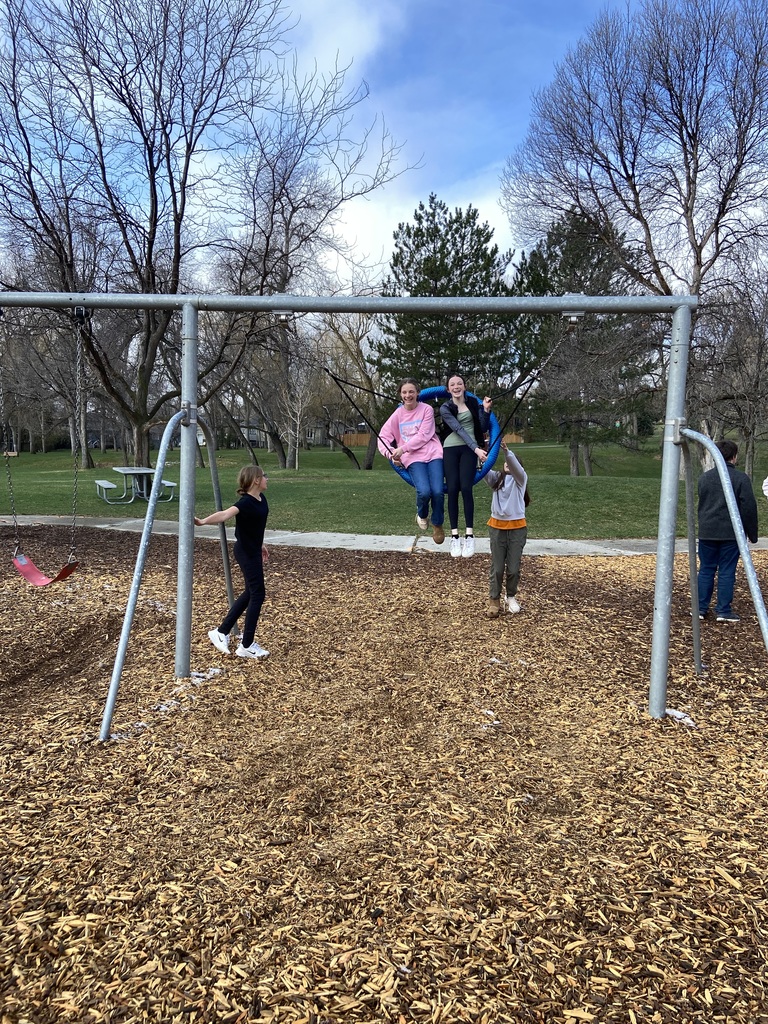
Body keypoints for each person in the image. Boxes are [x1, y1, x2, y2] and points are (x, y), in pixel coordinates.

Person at [194, 464, 271, 658]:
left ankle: (221, 631)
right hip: (245, 552)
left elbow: (255, 526)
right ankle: (246, 644)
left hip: (253, 549)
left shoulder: (261, 499)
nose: (266, 479)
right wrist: (203, 522)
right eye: (264, 476)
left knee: (250, 593)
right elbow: (225, 515)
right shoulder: (245, 503)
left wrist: (260, 544)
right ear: (255, 480)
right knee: (258, 594)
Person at [378, 377, 445, 544]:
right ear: (400, 395)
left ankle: (437, 524)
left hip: (433, 453)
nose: (408, 395)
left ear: (418, 393)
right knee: (424, 491)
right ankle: (422, 514)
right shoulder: (397, 415)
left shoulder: (427, 409)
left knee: (437, 491)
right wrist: (391, 453)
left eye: (411, 392)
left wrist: (402, 449)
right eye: (405, 392)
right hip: (413, 458)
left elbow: (423, 436)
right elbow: (383, 438)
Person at [697, 440, 758, 624]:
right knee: (727, 570)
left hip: (707, 530)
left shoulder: (705, 478)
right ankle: (723, 610)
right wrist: (752, 534)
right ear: (734, 456)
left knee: (706, 569)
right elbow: (748, 508)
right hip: (731, 533)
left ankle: (700, 608)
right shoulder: (740, 479)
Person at [439, 373, 492, 558]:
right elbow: (458, 429)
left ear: (464, 386)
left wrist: (485, 410)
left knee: (466, 488)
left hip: (470, 450)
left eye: (459, 383)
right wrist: (477, 449)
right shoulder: (445, 407)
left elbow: (483, 427)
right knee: (452, 488)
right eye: (452, 384)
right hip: (451, 448)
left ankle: (469, 535)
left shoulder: (471, 403)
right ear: (448, 389)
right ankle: (455, 536)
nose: (456, 386)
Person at [484, 441, 528, 617]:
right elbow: (484, 470)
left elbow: (518, 469)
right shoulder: (497, 479)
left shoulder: (520, 480)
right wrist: (483, 450)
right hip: (497, 528)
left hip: (517, 528)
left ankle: (510, 597)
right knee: (497, 567)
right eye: (506, 462)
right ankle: (493, 600)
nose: (508, 464)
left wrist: (507, 452)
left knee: (513, 567)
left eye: (511, 462)